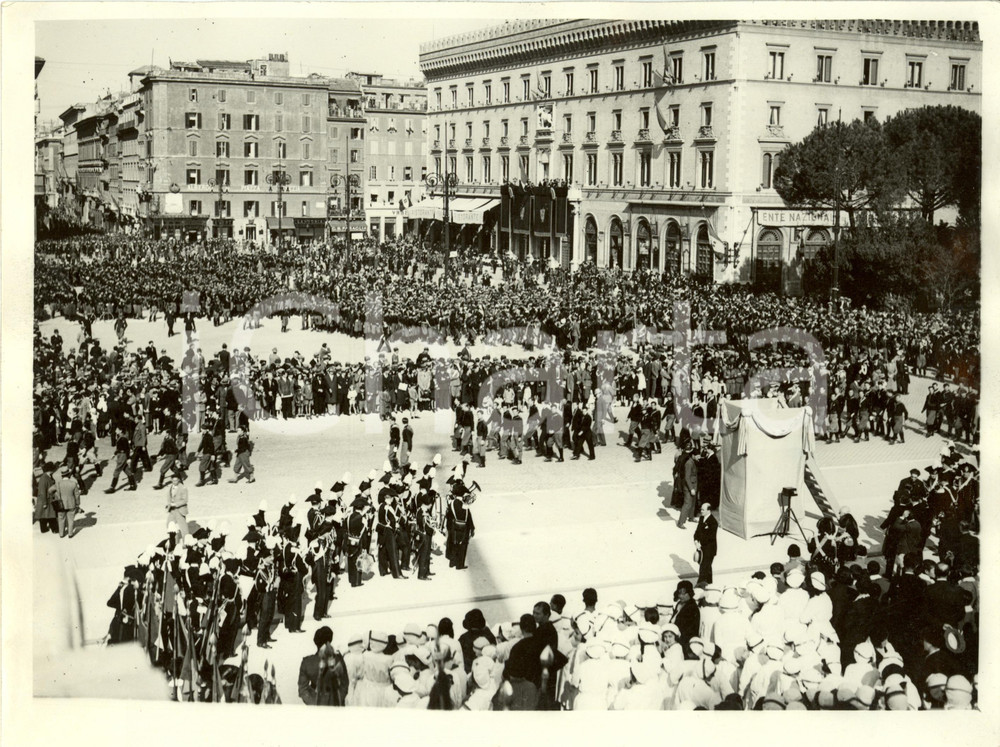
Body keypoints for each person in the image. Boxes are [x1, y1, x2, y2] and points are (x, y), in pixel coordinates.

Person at [446, 491, 475, 570]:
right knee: (462, 546)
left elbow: (448, 515)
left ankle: (452, 563)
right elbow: (467, 517)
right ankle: (460, 565)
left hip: (454, 527)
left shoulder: (452, 503)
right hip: (463, 527)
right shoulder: (464, 505)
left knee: (454, 544)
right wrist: (472, 528)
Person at [693, 502, 719, 585]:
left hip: (709, 548)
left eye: (703, 510)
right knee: (706, 565)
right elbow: (697, 532)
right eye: (701, 509)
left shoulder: (713, 522)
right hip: (701, 547)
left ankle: (700, 584)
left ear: (709, 510)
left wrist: (701, 544)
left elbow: (710, 537)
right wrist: (696, 541)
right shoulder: (701, 518)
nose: (701, 511)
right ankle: (708, 581)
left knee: (703, 566)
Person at [54, 464, 82, 539]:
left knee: (61, 519)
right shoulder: (73, 483)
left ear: (62, 476)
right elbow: (77, 495)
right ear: (69, 474)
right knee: (71, 519)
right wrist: (77, 504)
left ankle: (61, 533)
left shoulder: (58, 484)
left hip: (61, 504)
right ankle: (70, 533)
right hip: (71, 503)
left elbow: (57, 495)